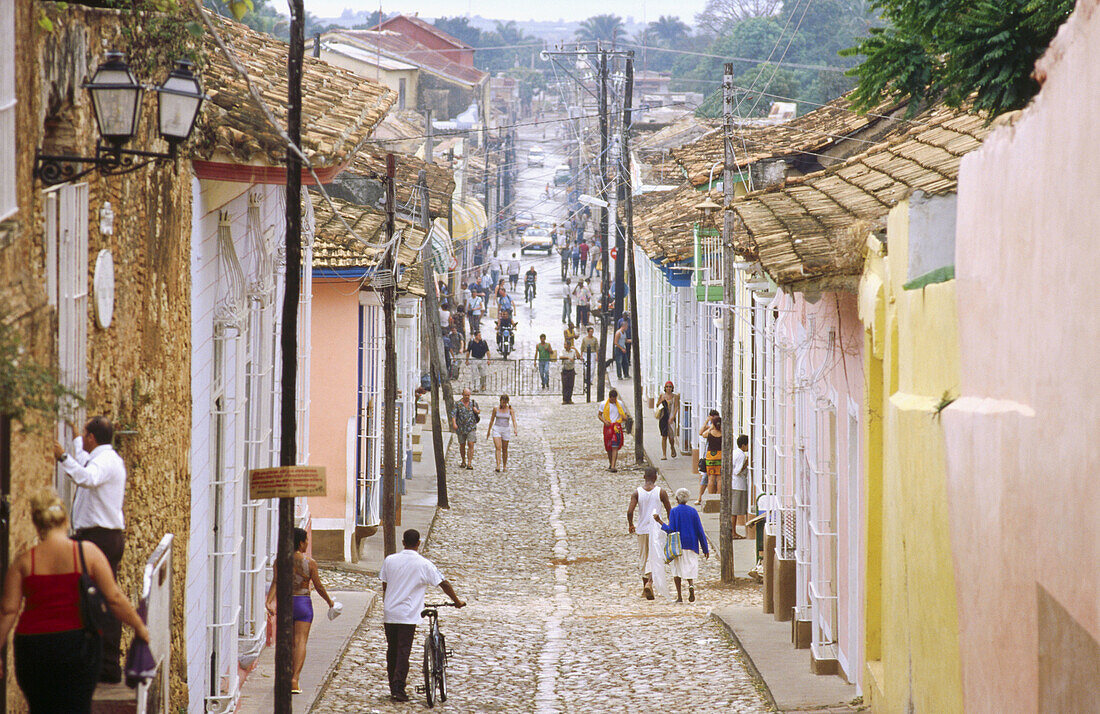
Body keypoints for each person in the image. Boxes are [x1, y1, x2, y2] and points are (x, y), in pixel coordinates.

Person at [0, 490, 150, 711]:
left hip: (33, 647)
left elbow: (7, 611)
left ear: (36, 523)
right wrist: (139, 626)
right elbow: (114, 598)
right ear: (66, 520)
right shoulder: (87, 553)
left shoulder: (24, 562)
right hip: (78, 645)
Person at [53, 415, 127, 682]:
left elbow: (86, 477)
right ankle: (95, 662)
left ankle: (107, 666)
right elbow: (85, 462)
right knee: (93, 597)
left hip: (101, 538)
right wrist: (74, 440)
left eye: (85, 434)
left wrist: (62, 458)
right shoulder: (104, 458)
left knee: (102, 600)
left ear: (93, 437)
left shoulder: (106, 462)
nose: (83, 438)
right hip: (98, 537)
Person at [379, 529, 465, 702]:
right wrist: (456, 601)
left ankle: (393, 686)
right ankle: (398, 688)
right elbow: (444, 583)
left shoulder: (390, 560)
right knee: (403, 651)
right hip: (407, 614)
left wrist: (389, 600)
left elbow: (385, 585)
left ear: (403, 542)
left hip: (390, 612)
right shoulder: (423, 564)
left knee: (392, 650)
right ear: (418, 543)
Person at [265, 527, 335, 694]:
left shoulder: (280, 561)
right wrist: (329, 602)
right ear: (301, 542)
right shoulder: (310, 563)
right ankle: (294, 679)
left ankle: (283, 677)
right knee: (301, 641)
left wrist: (269, 602)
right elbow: (318, 586)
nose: (307, 544)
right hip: (303, 602)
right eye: (306, 541)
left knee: (286, 643)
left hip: (286, 603)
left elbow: (276, 581)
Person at [653, 488, 710, 603]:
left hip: (678, 544)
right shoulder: (693, 511)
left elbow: (671, 530)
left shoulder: (674, 512)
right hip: (692, 543)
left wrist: (659, 521)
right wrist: (705, 548)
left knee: (676, 570)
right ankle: (691, 584)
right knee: (689, 567)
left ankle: (679, 596)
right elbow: (700, 530)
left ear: (677, 499)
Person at [626, 467, 672, 601]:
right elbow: (670, 510)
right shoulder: (661, 492)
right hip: (656, 529)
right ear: (656, 477)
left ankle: (644, 587)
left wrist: (631, 524)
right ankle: (650, 583)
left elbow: (630, 511)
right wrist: (670, 525)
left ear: (644, 477)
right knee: (655, 557)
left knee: (643, 557)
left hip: (642, 529)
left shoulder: (637, 492)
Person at [598, 388, 630, 472]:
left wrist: (624, 418)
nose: (613, 400)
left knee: (615, 446)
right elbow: (599, 415)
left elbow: (625, 414)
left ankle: (613, 466)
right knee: (608, 447)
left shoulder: (620, 404)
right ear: (609, 397)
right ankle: (611, 463)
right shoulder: (603, 404)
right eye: (612, 398)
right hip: (608, 427)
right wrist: (605, 421)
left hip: (616, 427)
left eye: (615, 398)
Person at [485, 394, 518, 473]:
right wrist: (489, 431)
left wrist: (515, 429)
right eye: (502, 402)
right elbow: (492, 420)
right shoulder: (496, 409)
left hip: (506, 429)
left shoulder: (510, 409)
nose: (503, 404)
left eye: (505, 403)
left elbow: (513, 420)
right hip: (497, 428)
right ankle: (498, 465)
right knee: (498, 447)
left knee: (505, 448)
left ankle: (504, 465)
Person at [697, 411, 722, 505]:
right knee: (719, 478)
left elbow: (702, 434)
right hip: (720, 456)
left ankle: (711, 497)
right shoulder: (722, 433)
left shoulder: (710, 433)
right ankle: (719, 497)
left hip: (711, 457)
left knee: (711, 478)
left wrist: (711, 426)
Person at [451, 389, 480, 469]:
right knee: (462, 444)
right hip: (461, 427)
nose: (467, 397)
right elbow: (453, 414)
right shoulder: (457, 404)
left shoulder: (473, 403)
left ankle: (469, 463)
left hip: (471, 427)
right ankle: (463, 461)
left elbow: (478, 411)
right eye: (465, 395)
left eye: (468, 395)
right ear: (462, 394)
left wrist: (476, 411)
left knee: (471, 444)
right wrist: (454, 423)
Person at [730, 434, 750, 539]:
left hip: (734, 484)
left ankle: (733, 531)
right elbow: (737, 471)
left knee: (735, 510)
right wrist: (746, 464)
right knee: (735, 511)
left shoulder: (735, 452)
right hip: (738, 485)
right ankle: (733, 532)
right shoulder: (741, 456)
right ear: (743, 445)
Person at [656, 381, 680, 459]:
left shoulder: (675, 397)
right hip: (663, 418)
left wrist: (673, 417)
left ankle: (672, 447)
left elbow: (676, 407)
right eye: (667, 387)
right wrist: (661, 400)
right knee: (664, 436)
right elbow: (657, 405)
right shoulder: (662, 396)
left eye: (670, 387)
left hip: (671, 417)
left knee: (671, 436)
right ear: (665, 388)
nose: (668, 388)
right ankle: (664, 454)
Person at [559, 338, 580, 404]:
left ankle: (569, 399)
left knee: (570, 385)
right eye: (564, 344)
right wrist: (568, 358)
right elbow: (560, 357)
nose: (564, 345)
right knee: (565, 385)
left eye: (565, 344)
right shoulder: (563, 351)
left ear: (569, 345)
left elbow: (578, 357)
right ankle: (564, 399)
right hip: (565, 370)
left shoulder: (573, 351)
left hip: (571, 370)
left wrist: (575, 349)